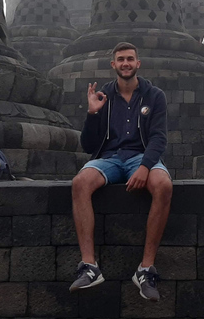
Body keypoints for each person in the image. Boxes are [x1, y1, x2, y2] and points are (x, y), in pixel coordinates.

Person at [69, 42, 173, 301]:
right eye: (120, 59)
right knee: (80, 183)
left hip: (141, 156)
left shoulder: (154, 95)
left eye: (130, 59)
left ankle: (145, 269)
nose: (125, 63)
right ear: (113, 65)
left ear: (138, 64)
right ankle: (90, 266)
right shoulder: (104, 96)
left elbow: (159, 138)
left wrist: (144, 166)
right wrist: (92, 114)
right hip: (110, 158)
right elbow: (89, 146)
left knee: (163, 185)